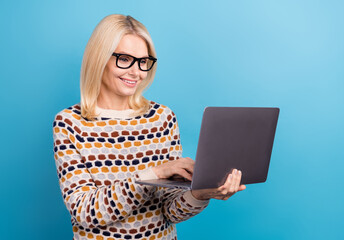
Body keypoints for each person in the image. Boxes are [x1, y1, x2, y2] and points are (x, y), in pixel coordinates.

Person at [53, 14, 246, 240]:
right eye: (125, 59)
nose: (137, 72)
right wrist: (153, 174)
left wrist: (200, 194)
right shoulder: (70, 123)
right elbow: (85, 212)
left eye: (143, 62)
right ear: (99, 58)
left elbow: (170, 212)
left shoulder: (162, 118)